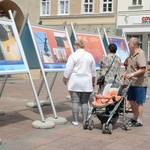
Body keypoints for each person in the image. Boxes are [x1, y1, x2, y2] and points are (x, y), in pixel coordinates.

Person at [63, 39, 96, 127]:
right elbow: (93, 71)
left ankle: (75, 120)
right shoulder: (90, 56)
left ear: (76, 46)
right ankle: (85, 120)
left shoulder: (73, 55)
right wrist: (93, 81)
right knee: (84, 102)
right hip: (86, 82)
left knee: (75, 102)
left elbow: (68, 69)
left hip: (75, 82)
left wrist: (65, 78)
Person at [121, 37, 148, 127]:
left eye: (129, 43)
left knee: (139, 101)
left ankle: (139, 120)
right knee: (131, 99)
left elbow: (143, 69)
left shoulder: (140, 53)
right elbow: (130, 67)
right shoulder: (131, 54)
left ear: (134, 45)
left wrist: (132, 75)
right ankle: (135, 116)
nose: (128, 44)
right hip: (131, 82)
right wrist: (125, 73)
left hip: (139, 82)